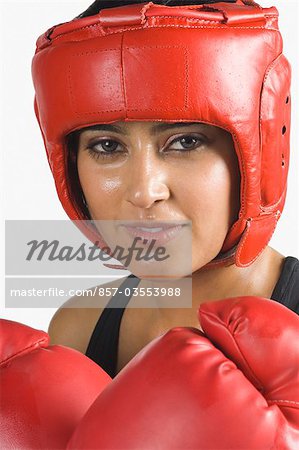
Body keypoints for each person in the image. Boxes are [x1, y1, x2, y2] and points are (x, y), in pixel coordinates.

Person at [31, 0, 299, 381]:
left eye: (186, 141)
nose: (144, 192)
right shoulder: (78, 329)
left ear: (257, 150)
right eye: (107, 146)